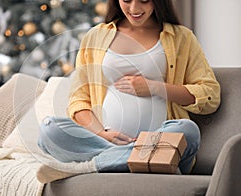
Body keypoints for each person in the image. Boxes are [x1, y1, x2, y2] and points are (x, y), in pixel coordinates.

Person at [38, 0, 220, 174]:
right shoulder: (95, 37)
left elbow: (210, 94)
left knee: (187, 130)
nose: (134, 8)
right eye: (126, 0)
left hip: (160, 143)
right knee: (49, 129)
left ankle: (93, 165)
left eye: (144, 0)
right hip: (106, 142)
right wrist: (102, 133)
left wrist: (155, 87)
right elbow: (78, 100)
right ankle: (130, 161)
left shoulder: (182, 37)